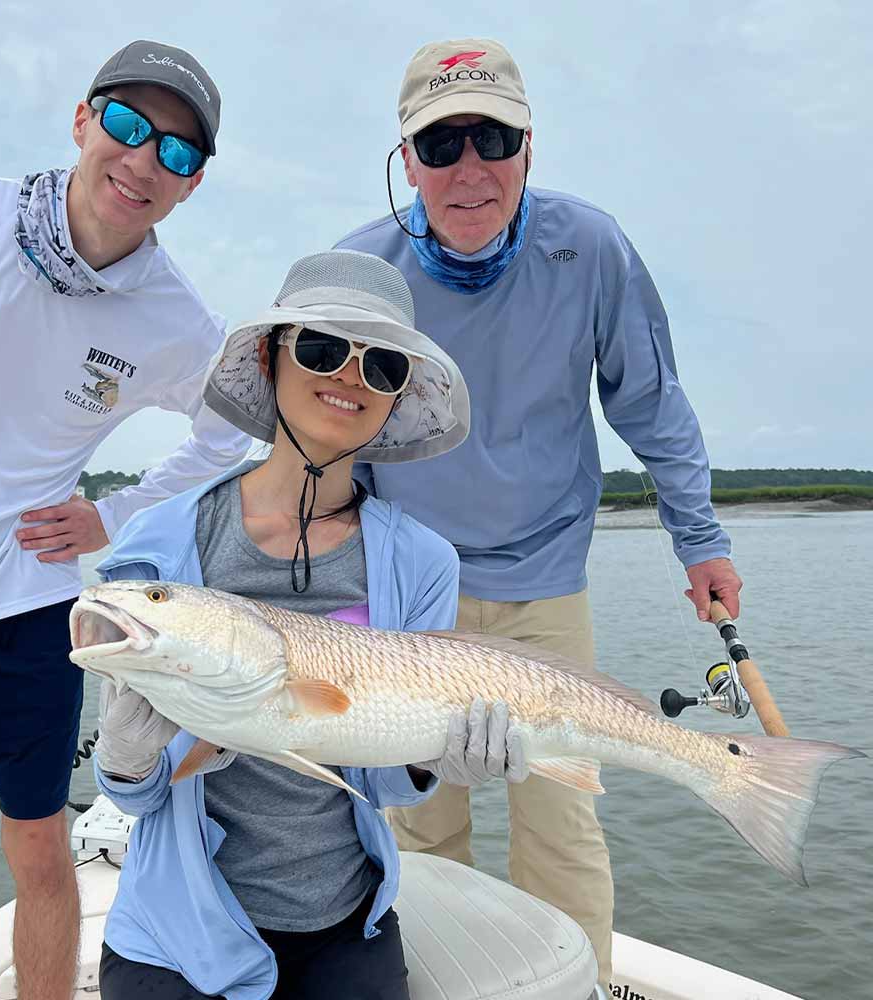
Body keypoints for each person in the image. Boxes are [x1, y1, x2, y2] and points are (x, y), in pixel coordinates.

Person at [335, 38, 744, 988]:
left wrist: (703, 541)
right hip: (406, 594)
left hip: (545, 580)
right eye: (441, 146)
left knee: (561, 820)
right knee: (419, 823)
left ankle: (579, 985)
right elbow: (316, 433)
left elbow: (650, 404)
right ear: (407, 162)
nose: (469, 170)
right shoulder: (363, 269)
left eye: (493, 139)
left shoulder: (588, 246)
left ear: (530, 147)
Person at [0, 40, 250, 1000]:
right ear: (83, 121)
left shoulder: (177, 326)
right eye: (127, 124)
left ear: (192, 186)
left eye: (175, 152)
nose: (141, 159)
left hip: (22, 604)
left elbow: (224, 440)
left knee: (41, 849)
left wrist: (110, 516)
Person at [89, 249, 528, 1000]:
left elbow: (386, 783)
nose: (350, 377)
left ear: (398, 397)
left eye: (383, 365)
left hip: (344, 920)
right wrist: (126, 760)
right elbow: (136, 795)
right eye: (323, 348)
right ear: (270, 356)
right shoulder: (158, 546)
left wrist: (436, 761)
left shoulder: (424, 561)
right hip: (179, 929)